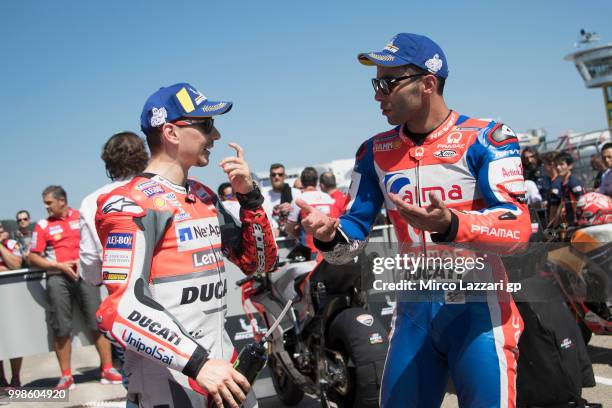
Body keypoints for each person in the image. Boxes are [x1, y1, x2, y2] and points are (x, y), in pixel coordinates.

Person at [298, 33, 530, 407]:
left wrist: (451, 225)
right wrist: (329, 237)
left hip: (479, 310)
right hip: (414, 311)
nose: (378, 94)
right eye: (376, 83)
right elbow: (350, 240)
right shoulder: (374, 151)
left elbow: (518, 229)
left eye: (388, 82)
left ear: (428, 84)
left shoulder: (487, 137)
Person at [95, 82, 277, 408]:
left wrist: (250, 199)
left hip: (223, 366)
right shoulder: (129, 203)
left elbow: (258, 264)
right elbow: (118, 309)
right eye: (206, 125)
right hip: (170, 376)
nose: (216, 136)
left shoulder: (204, 195)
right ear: (172, 132)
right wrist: (198, 363)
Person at [28, 185, 119, 390]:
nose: (46, 207)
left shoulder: (82, 216)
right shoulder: (42, 225)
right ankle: (66, 377)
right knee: (61, 327)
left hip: (84, 276)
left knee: (98, 321)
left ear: (62, 201)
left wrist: (82, 262)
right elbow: (32, 256)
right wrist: (57, 265)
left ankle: (107, 369)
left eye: (49, 203)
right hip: (57, 277)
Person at [80, 131, 149, 286]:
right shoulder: (162, 189)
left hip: (122, 291)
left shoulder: (91, 202)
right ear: (145, 156)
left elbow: (90, 263)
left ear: (108, 162)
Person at [287, 167, 339, 253]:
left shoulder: (299, 200)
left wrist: (299, 231)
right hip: (331, 247)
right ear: (316, 181)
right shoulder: (328, 197)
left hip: (310, 250)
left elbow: (289, 229)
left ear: (302, 182)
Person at [0, 222, 24, 389]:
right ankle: (1, 380)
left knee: (15, 337)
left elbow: (16, 265)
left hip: (12, 296)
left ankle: (16, 378)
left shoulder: (11, 244)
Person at [263, 163, 300, 236]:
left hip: (293, 237)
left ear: (285, 176)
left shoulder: (296, 193)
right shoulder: (263, 196)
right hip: (273, 238)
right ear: (270, 177)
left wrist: (292, 208)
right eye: (273, 175)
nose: (277, 177)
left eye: (280, 174)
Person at [548, 152, 585, 227]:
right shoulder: (562, 183)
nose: (558, 167)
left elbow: (582, 205)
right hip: (568, 224)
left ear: (570, 166)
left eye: (561, 164)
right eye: (556, 165)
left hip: (577, 225)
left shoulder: (573, 183)